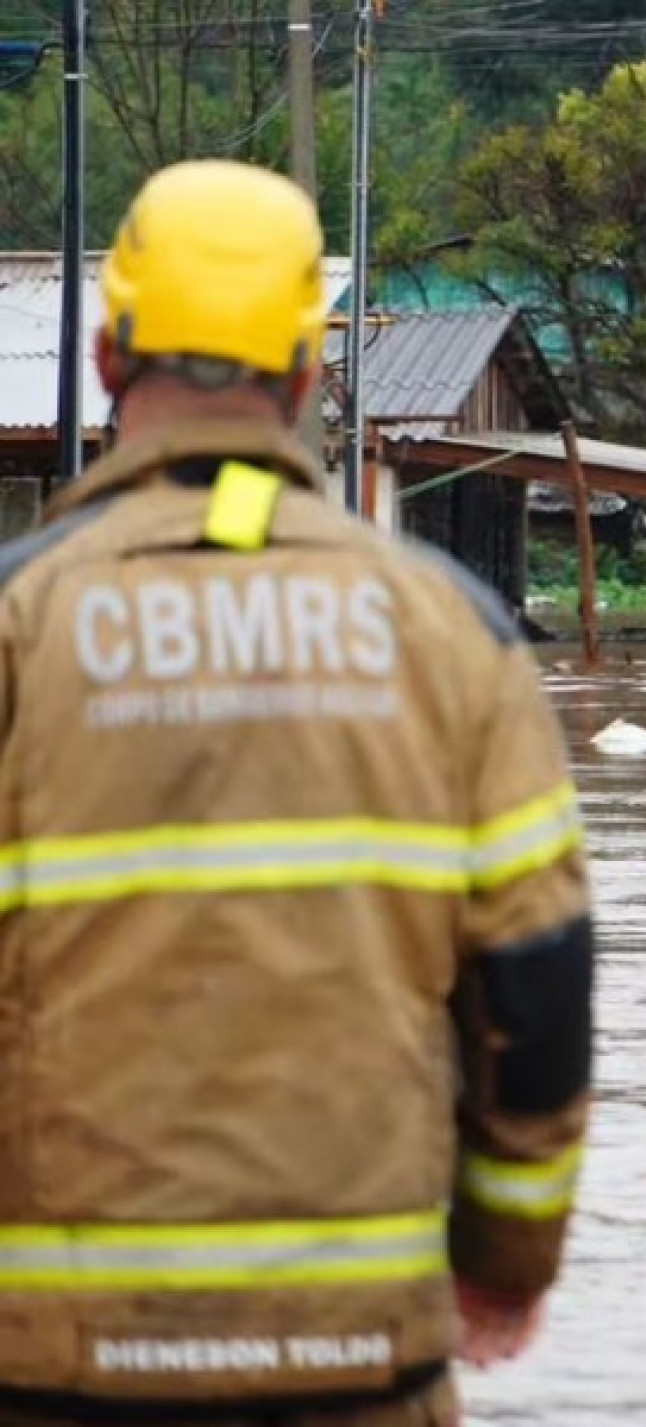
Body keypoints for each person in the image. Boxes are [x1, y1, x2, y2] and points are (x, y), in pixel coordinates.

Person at [0, 160, 594, 1422]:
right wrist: (505, 1262)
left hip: (50, 1365)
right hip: (357, 1359)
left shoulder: (15, 622)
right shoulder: (453, 632)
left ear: (107, 360)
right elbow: (537, 990)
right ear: (308, 375)